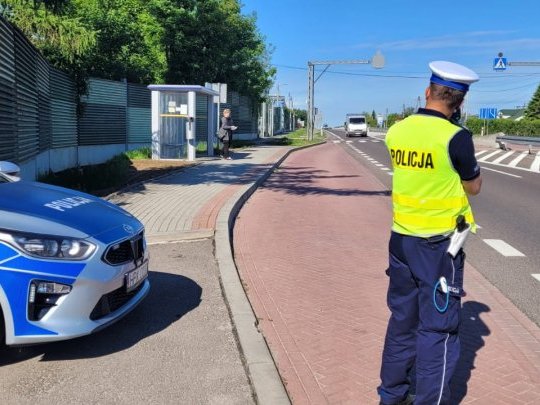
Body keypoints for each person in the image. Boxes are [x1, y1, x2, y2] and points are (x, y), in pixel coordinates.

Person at [378, 61, 482, 405]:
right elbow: (474, 186)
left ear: (427, 92)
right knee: (438, 330)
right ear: (460, 102)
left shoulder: (397, 131)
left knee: (402, 322)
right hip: (438, 248)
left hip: (400, 240)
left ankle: (391, 396)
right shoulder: (456, 137)